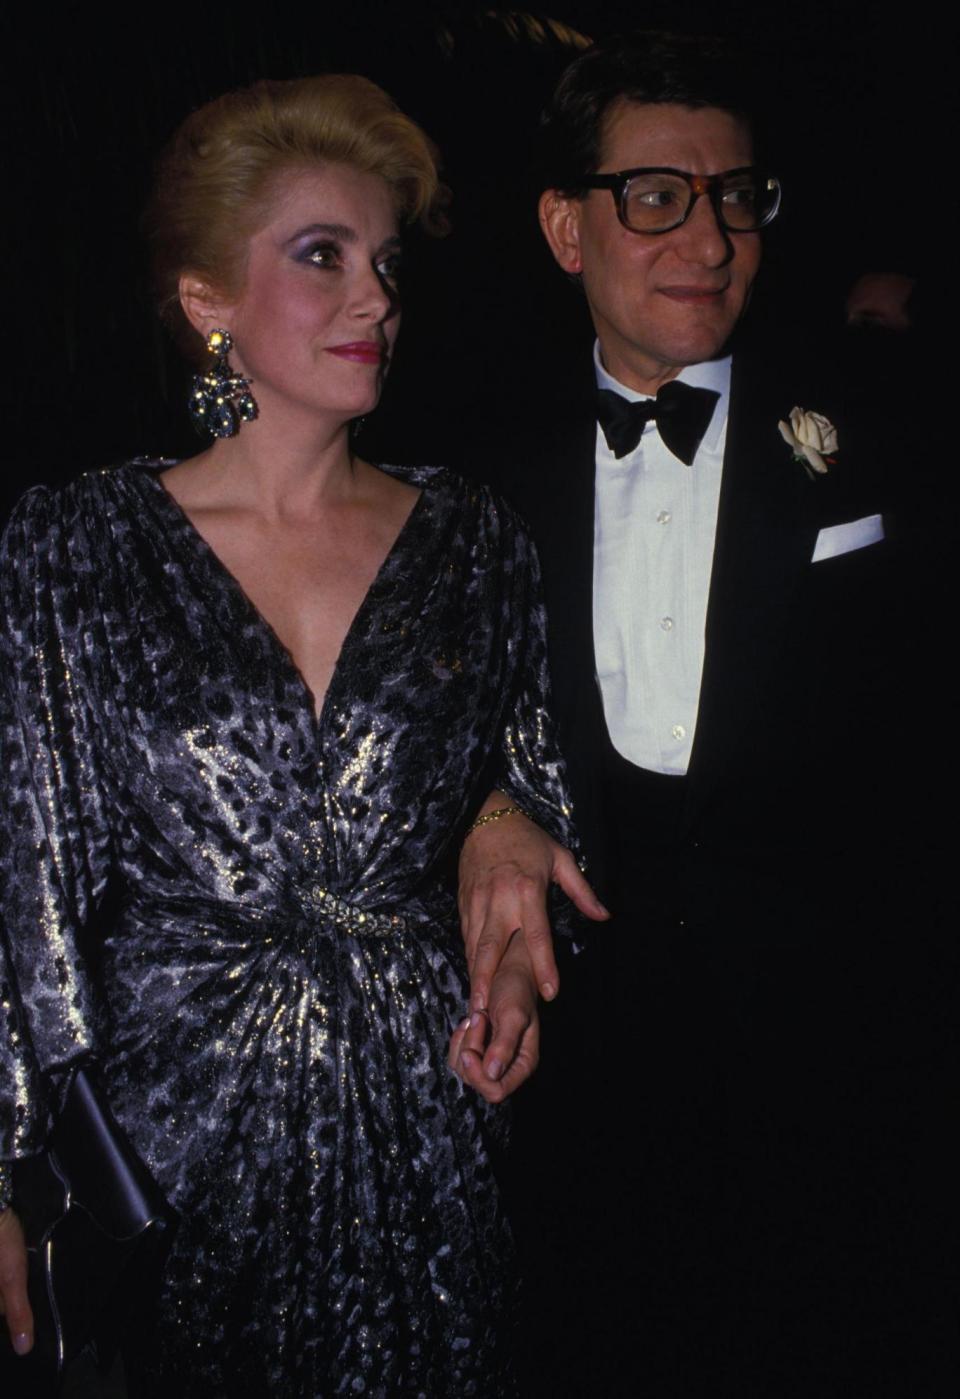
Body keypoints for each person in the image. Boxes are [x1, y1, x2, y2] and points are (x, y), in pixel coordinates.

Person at [0, 73, 599, 1397]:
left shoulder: (475, 540)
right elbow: (21, 883)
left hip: (427, 1113)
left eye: (383, 263)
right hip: (167, 1144)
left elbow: (534, 771)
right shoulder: (76, 548)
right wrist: (10, 1163)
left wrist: (503, 899)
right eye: (320, 257)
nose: (376, 297)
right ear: (206, 300)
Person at [456, 31, 946, 1398]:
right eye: (656, 194)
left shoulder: (886, 429)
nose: (710, 236)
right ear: (567, 226)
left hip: (832, 1057)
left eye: (735, 194)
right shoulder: (470, 468)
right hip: (575, 1059)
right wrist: (487, 810)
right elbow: (431, 716)